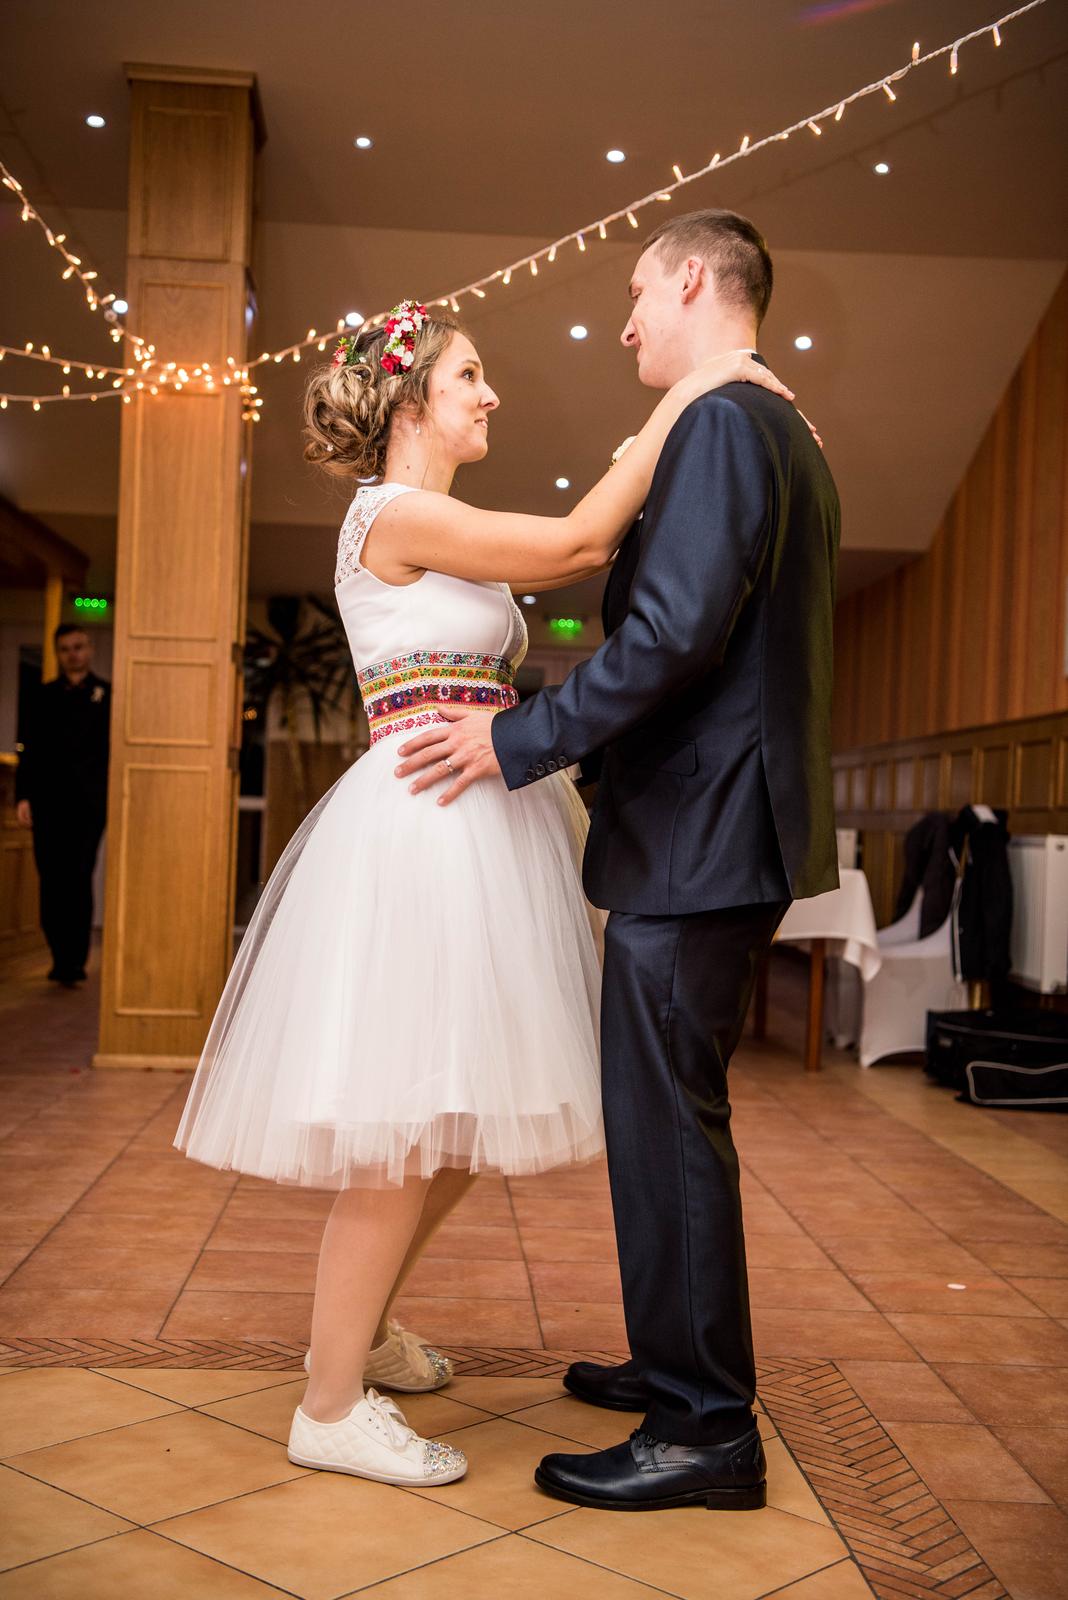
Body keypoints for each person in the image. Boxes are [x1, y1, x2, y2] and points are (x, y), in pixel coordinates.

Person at [173, 295, 797, 1489]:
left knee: (454, 1128)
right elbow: (576, 545)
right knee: (405, 1136)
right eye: (469, 375)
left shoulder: (435, 516)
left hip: (482, 824)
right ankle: (326, 1405)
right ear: (411, 398)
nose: (489, 392)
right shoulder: (394, 512)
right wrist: (688, 395)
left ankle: (363, 1332)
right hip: (421, 835)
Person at [395, 209, 841, 1512]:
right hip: (725, 828)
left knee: (669, 1128)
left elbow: (674, 638)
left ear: (694, 279)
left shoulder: (724, 425)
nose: (628, 321)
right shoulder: (776, 428)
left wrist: (517, 739)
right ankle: (675, 1364)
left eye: (640, 294)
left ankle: (705, 1427)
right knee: (666, 1119)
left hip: (701, 835)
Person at [15, 622, 110, 987]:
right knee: (51, 879)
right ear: (58, 654)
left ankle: (75, 959)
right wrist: (23, 795)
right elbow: (29, 750)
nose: (73, 654)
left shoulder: (107, 694)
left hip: (88, 805)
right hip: (48, 803)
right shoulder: (42, 696)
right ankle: (58, 956)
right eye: (66, 649)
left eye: (78, 647)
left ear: (89, 650)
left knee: (79, 876)